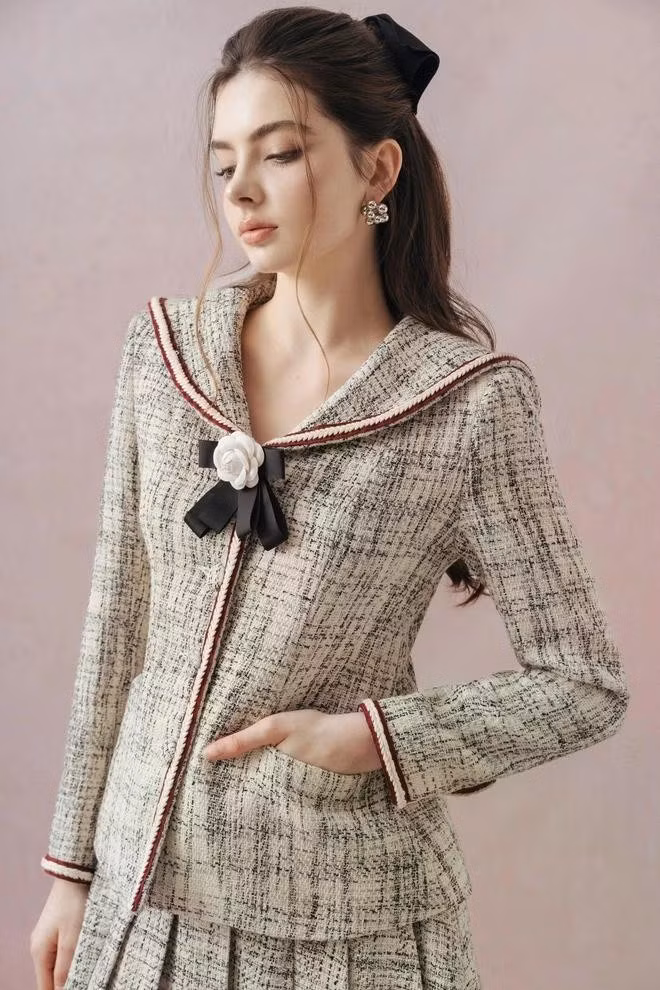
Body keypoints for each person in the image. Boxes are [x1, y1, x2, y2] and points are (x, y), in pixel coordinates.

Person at [30, 8, 629, 989]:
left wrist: (377, 741)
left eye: (281, 153)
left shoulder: (467, 405)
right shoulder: (165, 355)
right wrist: (70, 872)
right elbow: (117, 625)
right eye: (224, 163)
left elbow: (583, 682)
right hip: (139, 907)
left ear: (377, 171)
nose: (243, 190)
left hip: (350, 934)